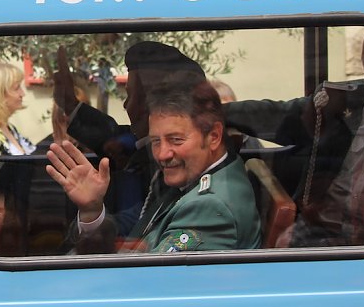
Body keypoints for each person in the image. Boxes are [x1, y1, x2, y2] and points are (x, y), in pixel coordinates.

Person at [225, 28, 364, 246]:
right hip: (323, 224)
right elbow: (275, 115)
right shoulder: (339, 100)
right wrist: (215, 112)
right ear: (362, 61)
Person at [47, 80, 262, 253]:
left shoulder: (209, 206)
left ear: (214, 136)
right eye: (156, 141)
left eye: (176, 140)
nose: (162, 154)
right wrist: (92, 210)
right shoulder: (193, 177)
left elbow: (148, 285)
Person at [53, 42, 207, 236]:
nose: (126, 105)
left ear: (153, 104)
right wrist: (70, 104)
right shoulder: (140, 150)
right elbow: (116, 139)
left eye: (130, 95)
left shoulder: (184, 176)